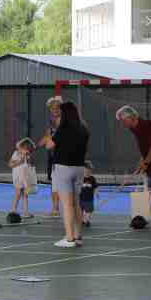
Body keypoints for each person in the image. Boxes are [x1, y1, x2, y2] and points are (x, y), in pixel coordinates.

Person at [42, 101, 89, 248]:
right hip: (79, 168)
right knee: (76, 203)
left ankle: (69, 238)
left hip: (63, 168)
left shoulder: (63, 128)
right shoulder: (84, 129)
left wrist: (50, 135)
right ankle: (78, 236)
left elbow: (49, 145)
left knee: (67, 205)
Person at [41, 96, 63, 218]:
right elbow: (47, 137)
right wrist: (32, 147)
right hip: (53, 158)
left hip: (64, 158)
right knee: (54, 184)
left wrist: (51, 141)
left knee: (65, 185)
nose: (54, 110)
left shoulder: (65, 121)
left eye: (56, 108)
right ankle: (55, 209)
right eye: (52, 108)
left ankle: (75, 211)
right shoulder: (51, 122)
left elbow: (53, 139)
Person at [8, 138, 36, 219]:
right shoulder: (16, 153)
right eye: (25, 149)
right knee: (18, 194)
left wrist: (28, 158)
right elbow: (10, 164)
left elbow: (31, 165)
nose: (27, 151)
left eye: (28, 149)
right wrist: (20, 161)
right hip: (18, 177)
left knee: (26, 194)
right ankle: (13, 210)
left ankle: (26, 212)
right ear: (21, 148)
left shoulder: (28, 155)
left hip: (25, 177)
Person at [80, 162, 98, 227]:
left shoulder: (92, 178)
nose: (89, 171)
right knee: (80, 210)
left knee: (88, 211)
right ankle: (82, 220)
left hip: (89, 199)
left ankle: (87, 221)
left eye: (90, 169)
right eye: (87, 169)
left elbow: (95, 187)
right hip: (80, 198)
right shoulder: (80, 177)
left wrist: (96, 193)